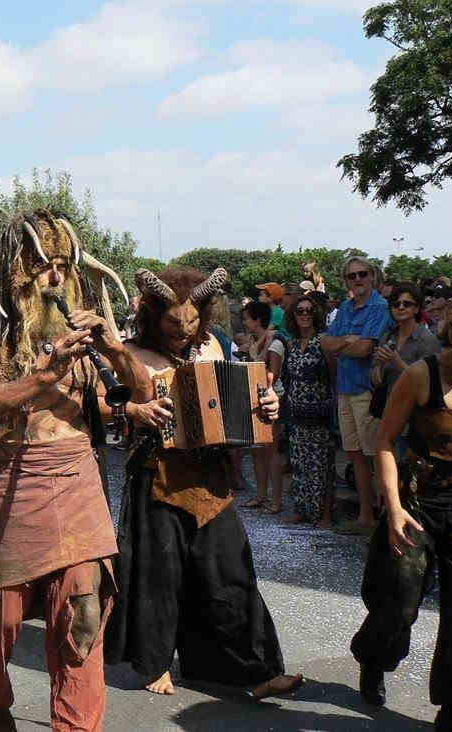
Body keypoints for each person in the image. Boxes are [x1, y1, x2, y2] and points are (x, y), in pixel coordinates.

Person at [0, 209, 151, 732]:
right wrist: (41, 379)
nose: (55, 276)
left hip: (76, 480)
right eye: (43, 264)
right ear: (18, 268)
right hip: (14, 482)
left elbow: (142, 391)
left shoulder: (87, 318)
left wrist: (115, 349)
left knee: (83, 615)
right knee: (3, 618)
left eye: (63, 264)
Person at [105, 266, 302, 700]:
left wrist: (266, 405)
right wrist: (133, 412)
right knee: (162, 575)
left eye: (192, 323)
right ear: (154, 317)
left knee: (231, 571)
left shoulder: (212, 344)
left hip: (211, 479)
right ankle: (156, 663)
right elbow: (99, 405)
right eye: (173, 324)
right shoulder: (130, 353)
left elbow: (240, 400)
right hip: (158, 476)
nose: (183, 333)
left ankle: (256, 669)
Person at [350, 285, 452, 732]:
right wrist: (396, 508)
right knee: (397, 600)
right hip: (415, 497)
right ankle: (374, 658)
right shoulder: (421, 375)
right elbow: (384, 439)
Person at [320, 257, 393, 533]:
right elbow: (324, 343)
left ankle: (387, 519)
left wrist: (342, 344)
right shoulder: (347, 308)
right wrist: (347, 342)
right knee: (355, 456)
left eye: (362, 274)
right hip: (345, 389)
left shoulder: (380, 307)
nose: (358, 279)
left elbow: (364, 349)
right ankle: (366, 517)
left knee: (377, 457)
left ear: (372, 277)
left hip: (367, 391)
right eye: (352, 276)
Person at [281, 295, 336, 527]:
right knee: (299, 464)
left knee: (322, 465)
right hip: (296, 413)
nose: (304, 315)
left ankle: (325, 514)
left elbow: (333, 374)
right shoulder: (291, 344)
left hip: (320, 412)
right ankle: (302, 510)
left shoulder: (323, 340)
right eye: (299, 311)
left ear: (316, 314)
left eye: (308, 311)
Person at [370, 283, 440, 456]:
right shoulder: (388, 337)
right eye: (396, 304)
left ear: (416, 308)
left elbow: (427, 383)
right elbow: (377, 381)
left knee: (408, 472)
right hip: (389, 414)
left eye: (407, 304)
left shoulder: (427, 340)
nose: (401, 307)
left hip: (415, 419)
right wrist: (379, 365)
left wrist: (396, 362)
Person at [241, 301, 286, 513]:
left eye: (247, 318)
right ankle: (260, 495)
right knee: (257, 451)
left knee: (272, 451)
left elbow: (271, 374)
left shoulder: (275, 342)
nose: (244, 322)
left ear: (258, 319)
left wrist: (265, 344)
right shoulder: (256, 339)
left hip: (272, 397)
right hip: (253, 397)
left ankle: (276, 500)